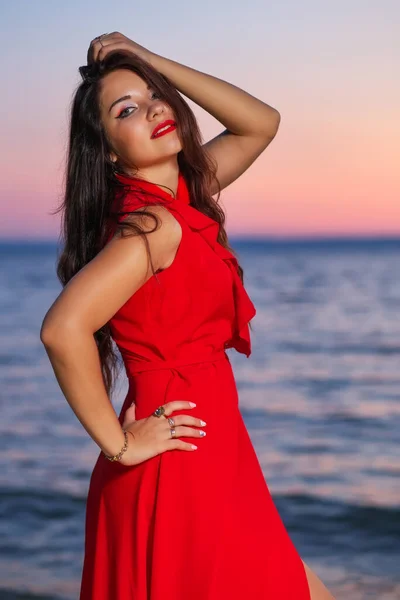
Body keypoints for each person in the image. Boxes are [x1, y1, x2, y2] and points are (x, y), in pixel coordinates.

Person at [41, 31, 335, 600]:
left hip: (208, 442)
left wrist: (150, 61)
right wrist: (119, 445)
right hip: (180, 456)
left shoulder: (185, 199)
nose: (152, 107)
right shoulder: (154, 228)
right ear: (105, 148)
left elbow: (261, 123)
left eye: (154, 95)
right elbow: (62, 329)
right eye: (126, 109)